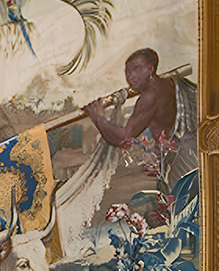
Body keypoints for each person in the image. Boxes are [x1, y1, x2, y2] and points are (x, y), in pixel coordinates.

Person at [82, 48, 199, 189]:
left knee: (179, 203)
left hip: (183, 159)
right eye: (128, 71)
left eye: (137, 69)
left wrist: (98, 117)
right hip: (186, 153)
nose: (130, 76)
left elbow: (124, 137)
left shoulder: (151, 95)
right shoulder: (168, 83)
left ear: (150, 69)